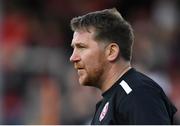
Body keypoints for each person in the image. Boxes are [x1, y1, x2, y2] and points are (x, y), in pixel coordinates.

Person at [69, 8, 177, 125]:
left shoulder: (137, 93)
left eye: (82, 47)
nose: (73, 57)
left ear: (111, 52)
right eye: (73, 48)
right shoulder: (111, 100)